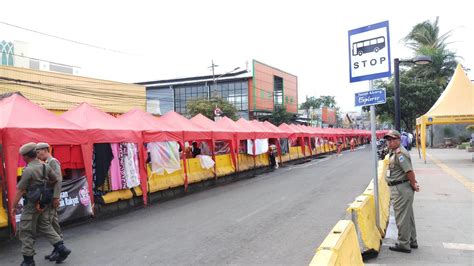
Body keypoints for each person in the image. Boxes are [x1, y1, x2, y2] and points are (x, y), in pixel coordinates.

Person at [11, 143, 71, 266]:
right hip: (42, 202)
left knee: (26, 230)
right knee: (45, 225)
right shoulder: (44, 166)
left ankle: (28, 260)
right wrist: (42, 185)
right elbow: (55, 179)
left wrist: (13, 206)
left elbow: (20, 190)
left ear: (25, 156)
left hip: (32, 203)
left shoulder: (28, 170)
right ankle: (61, 247)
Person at [384, 130, 420, 253]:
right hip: (401, 188)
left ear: (399, 140)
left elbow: (409, 171)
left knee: (402, 218)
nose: (390, 142)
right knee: (408, 216)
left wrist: (414, 184)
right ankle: (412, 241)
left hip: (401, 189)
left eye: (392, 139)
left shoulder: (400, 154)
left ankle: (404, 244)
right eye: (388, 140)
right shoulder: (394, 152)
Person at [36, 142, 64, 262]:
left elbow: (58, 180)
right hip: (50, 196)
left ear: (46, 150)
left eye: (39, 152)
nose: (37, 154)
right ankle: (58, 248)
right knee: (53, 222)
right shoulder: (47, 162)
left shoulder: (52, 161)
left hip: (52, 196)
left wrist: (56, 197)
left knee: (51, 222)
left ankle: (60, 249)